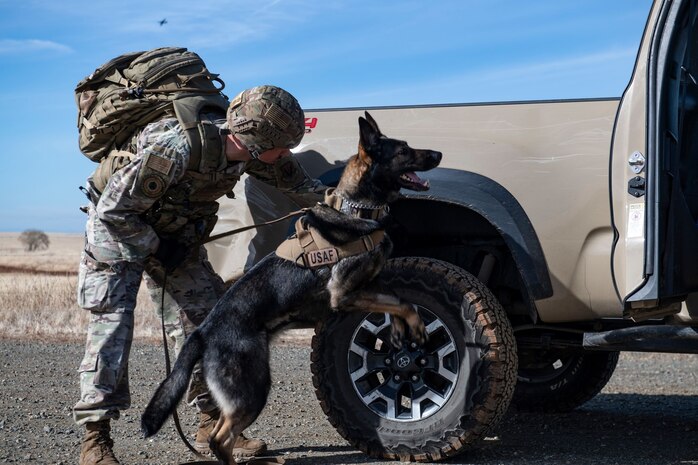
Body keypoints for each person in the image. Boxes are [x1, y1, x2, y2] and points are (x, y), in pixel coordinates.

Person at [73, 85, 325, 465]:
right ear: (256, 141)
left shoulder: (253, 153)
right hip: (118, 233)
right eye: (283, 146)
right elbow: (113, 211)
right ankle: (95, 441)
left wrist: (350, 203)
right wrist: (155, 247)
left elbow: (303, 188)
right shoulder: (175, 149)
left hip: (174, 234)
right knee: (112, 329)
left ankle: (211, 422)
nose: (287, 154)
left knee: (208, 322)